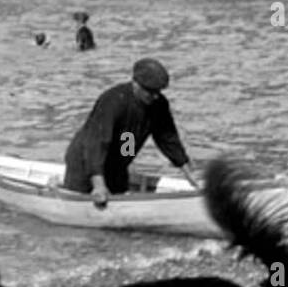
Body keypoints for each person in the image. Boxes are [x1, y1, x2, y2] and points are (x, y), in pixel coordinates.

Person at [62, 58, 200, 206]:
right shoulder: (113, 101)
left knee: (120, 195)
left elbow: (167, 139)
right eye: (150, 91)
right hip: (85, 162)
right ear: (135, 84)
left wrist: (190, 174)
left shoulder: (158, 105)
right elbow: (96, 144)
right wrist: (99, 185)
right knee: (94, 199)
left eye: (158, 91)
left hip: (117, 165)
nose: (155, 96)